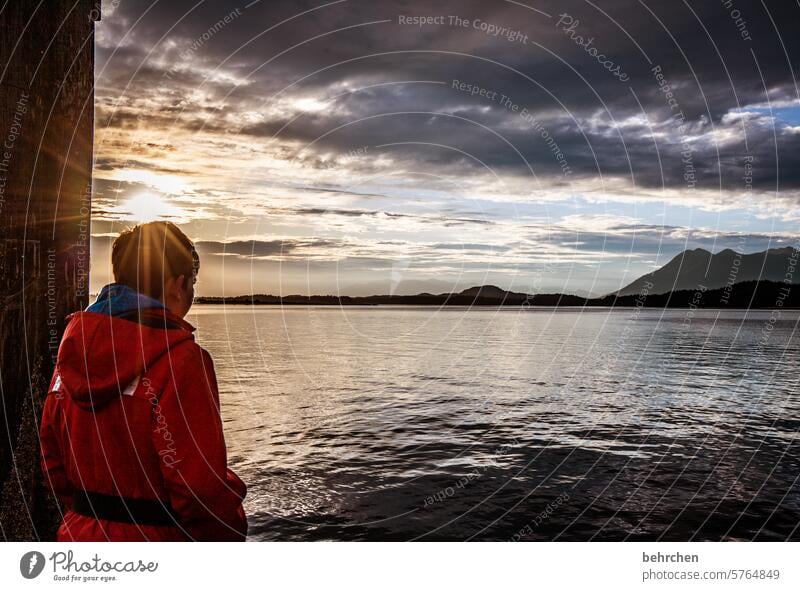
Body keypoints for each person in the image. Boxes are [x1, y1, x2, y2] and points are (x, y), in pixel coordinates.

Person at [39, 221, 247, 541]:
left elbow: (53, 465)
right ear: (178, 285)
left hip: (78, 539)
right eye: (192, 283)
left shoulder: (71, 358)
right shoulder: (182, 361)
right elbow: (199, 488)